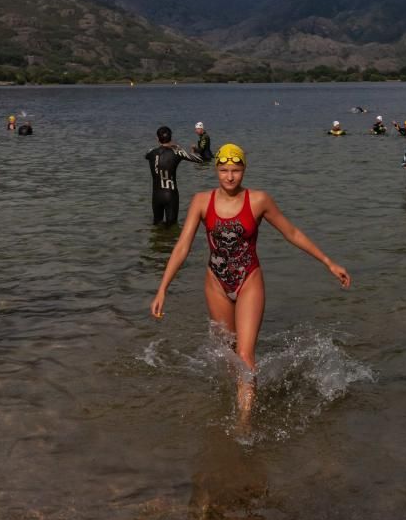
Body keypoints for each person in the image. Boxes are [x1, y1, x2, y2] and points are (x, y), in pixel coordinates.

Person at [150, 144, 351, 417]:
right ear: (216, 170)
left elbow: (291, 232)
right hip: (216, 283)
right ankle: (242, 393)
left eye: (235, 170)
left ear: (244, 169)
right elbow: (182, 246)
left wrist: (329, 262)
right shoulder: (201, 201)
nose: (230, 176)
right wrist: (163, 288)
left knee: (245, 356)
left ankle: (244, 424)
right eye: (223, 170)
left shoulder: (258, 200)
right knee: (227, 352)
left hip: (249, 280)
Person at [145, 125, 203, 225]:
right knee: (172, 227)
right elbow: (199, 160)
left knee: (157, 225)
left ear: (157, 138)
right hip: (171, 195)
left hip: (156, 196)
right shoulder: (177, 152)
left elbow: (146, 155)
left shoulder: (151, 153)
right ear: (171, 138)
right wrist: (178, 148)